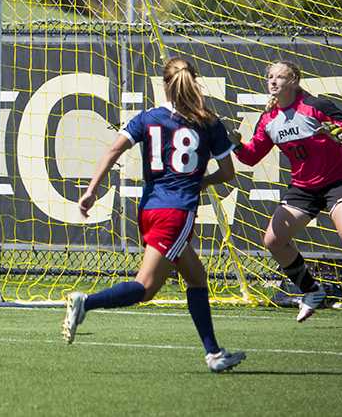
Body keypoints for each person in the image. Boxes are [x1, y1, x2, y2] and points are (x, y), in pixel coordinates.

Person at [63, 57, 246, 373]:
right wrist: (201, 181)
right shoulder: (209, 123)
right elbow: (228, 172)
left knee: (196, 278)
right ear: (195, 81)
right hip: (176, 212)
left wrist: (92, 190)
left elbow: (112, 150)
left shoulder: (148, 117)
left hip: (149, 209)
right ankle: (85, 302)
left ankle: (214, 353)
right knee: (145, 288)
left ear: (164, 84)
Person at [230, 60, 342, 323]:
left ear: (294, 81)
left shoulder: (316, 106)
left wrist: (341, 134)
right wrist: (234, 144)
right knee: (273, 241)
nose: (273, 81)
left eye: (280, 77)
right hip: (303, 187)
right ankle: (312, 291)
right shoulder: (269, 119)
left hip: (338, 180)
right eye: (270, 77)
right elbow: (251, 156)